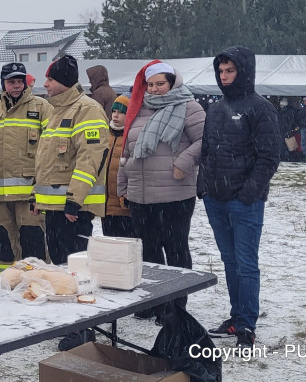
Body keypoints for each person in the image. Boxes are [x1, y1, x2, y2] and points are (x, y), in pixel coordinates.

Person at [198, 46, 281, 348]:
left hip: (244, 201)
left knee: (246, 263)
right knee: (229, 261)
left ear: (243, 71)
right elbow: (206, 151)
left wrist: (249, 194)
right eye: (221, 71)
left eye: (230, 70)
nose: (224, 76)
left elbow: (269, 157)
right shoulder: (216, 108)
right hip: (216, 198)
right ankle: (235, 318)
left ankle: (247, 324)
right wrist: (203, 185)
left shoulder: (260, 108)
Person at [118, 61, 205, 318]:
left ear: (172, 83)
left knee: (176, 250)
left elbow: (206, 139)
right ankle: (155, 302)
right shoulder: (139, 108)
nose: (155, 90)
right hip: (140, 196)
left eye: (160, 84)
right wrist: (123, 184)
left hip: (174, 194)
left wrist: (183, 162)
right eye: (151, 85)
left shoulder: (189, 107)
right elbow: (128, 150)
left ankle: (176, 307)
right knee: (150, 252)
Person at [34, 55, 109, 351]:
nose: (45, 83)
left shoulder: (87, 110)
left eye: (49, 79)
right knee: (62, 266)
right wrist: (35, 197)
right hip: (54, 208)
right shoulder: (55, 111)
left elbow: (91, 158)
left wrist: (73, 202)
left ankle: (84, 327)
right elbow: (46, 162)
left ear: (63, 81)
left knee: (77, 268)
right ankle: (70, 321)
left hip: (73, 209)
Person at [0, 63, 52, 271]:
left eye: (20, 81)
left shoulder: (42, 108)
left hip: (31, 195)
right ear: (3, 84)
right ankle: (6, 285)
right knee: (2, 244)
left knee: (34, 246)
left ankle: (35, 285)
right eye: (11, 81)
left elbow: (52, 147)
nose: (16, 86)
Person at [102, 95, 134, 239]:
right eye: (114, 111)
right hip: (106, 206)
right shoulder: (105, 135)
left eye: (121, 112)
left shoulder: (131, 137)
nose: (116, 115)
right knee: (109, 247)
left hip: (124, 206)